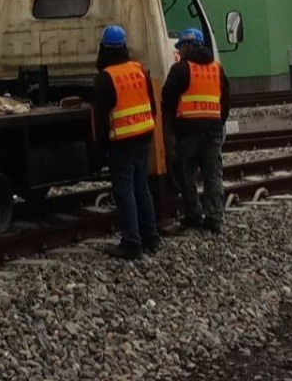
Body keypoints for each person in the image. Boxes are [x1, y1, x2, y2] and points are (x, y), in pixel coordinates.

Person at [92, 24, 160, 260]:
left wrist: (100, 149)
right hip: (144, 135)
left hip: (122, 142)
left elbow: (99, 120)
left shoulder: (105, 78)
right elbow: (152, 105)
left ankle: (131, 242)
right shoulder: (139, 69)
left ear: (104, 48)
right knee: (142, 188)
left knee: (125, 191)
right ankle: (150, 237)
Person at [161, 28, 231, 232]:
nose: (179, 51)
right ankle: (215, 217)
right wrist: (218, 121)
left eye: (180, 47)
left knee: (186, 174)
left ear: (186, 46)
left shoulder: (180, 69)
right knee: (213, 175)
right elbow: (226, 100)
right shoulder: (217, 69)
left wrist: (173, 126)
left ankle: (193, 213)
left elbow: (167, 98)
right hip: (213, 131)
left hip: (188, 132)